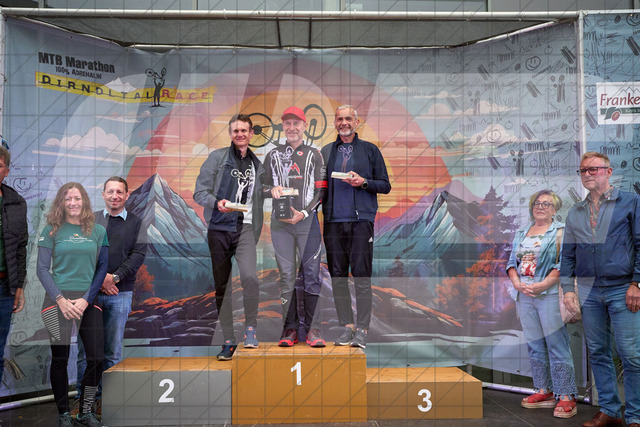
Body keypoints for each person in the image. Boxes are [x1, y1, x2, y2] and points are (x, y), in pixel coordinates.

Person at [561, 152, 640, 427]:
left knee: (630, 354)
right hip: (589, 292)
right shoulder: (575, 212)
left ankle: (635, 415)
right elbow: (567, 254)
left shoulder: (630, 201)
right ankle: (610, 411)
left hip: (623, 289)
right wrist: (568, 289)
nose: (587, 174)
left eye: (593, 169)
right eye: (583, 170)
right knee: (598, 352)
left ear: (608, 171)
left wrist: (636, 282)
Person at [73, 176, 146, 416]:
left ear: (127, 195)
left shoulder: (137, 223)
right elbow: (81, 253)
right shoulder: (89, 220)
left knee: (112, 352)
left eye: (119, 192)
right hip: (89, 295)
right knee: (85, 352)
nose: (115, 196)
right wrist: (100, 280)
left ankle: (108, 400)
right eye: (110, 191)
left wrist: (114, 278)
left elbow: (138, 255)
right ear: (103, 194)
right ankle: (84, 400)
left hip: (120, 293)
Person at [37, 182, 108, 427]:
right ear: (61, 202)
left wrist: (86, 298)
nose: (73, 203)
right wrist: (60, 300)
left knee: (96, 358)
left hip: (88, 300)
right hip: (56, 302)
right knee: (60, 358)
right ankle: (63, 414)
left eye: (77, 198)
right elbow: (42, 269)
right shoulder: (51, 230)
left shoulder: (98, 231)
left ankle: (85, 412)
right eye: (68, 199)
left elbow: (102, 268)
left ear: (84, 201)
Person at [194, 114, 264, 360]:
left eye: (244, 130)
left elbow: (263, 192)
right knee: (222, 285)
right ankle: (228, 339)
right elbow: (199, 193)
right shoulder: (217, 158)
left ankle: (251, 329)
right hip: (219, 229)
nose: (240, 134)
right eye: (235, 131)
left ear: (251, 133)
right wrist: (217, 203)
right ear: (230, 134)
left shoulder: (258, 164)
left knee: (250, 278)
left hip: (245, 228)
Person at [321, 105, 391, 348]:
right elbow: (319, 186)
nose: (344, 122)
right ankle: (347, 327)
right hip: (333, 222)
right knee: (337, 276)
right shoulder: (326, 151)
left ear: (357, 122)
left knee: (361, 276)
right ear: (335, 122)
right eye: (340, 119)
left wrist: (363, 182)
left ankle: (362, 329)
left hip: (361, 221)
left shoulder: (370, 150)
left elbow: (385, 185)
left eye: (348, 118)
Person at [506, 190, 578, 419]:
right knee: (535, 344)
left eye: (547, 204)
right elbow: (511, 263)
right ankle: (543, 390)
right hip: (524, 296)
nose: (540, 207)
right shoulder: (521, 232)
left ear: (555, 209)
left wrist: (543, 284)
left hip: (549, 295)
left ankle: (566, 395)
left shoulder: (561, 232)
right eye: (537, 203)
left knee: (557, 344)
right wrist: (517, 283)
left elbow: (564, 263)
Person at [263, 107, 327, 347]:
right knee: (287, 277)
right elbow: (261, 187)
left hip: (307, 223)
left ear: (304, 126)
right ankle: (290, 329)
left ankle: (313, 330)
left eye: (296, 123)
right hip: (280, 226)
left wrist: (304, 212)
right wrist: (271, 189)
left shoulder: (315, 155)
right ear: (283, 127)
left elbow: (322, 191)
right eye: (287, 124)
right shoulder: (272, 155)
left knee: (311, 275)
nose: (292, 128)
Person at [0, 146, 27, 386]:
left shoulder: (17, 203)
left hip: (4, 288)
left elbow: (21, 247)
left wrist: (19, 286)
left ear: (6, 171)